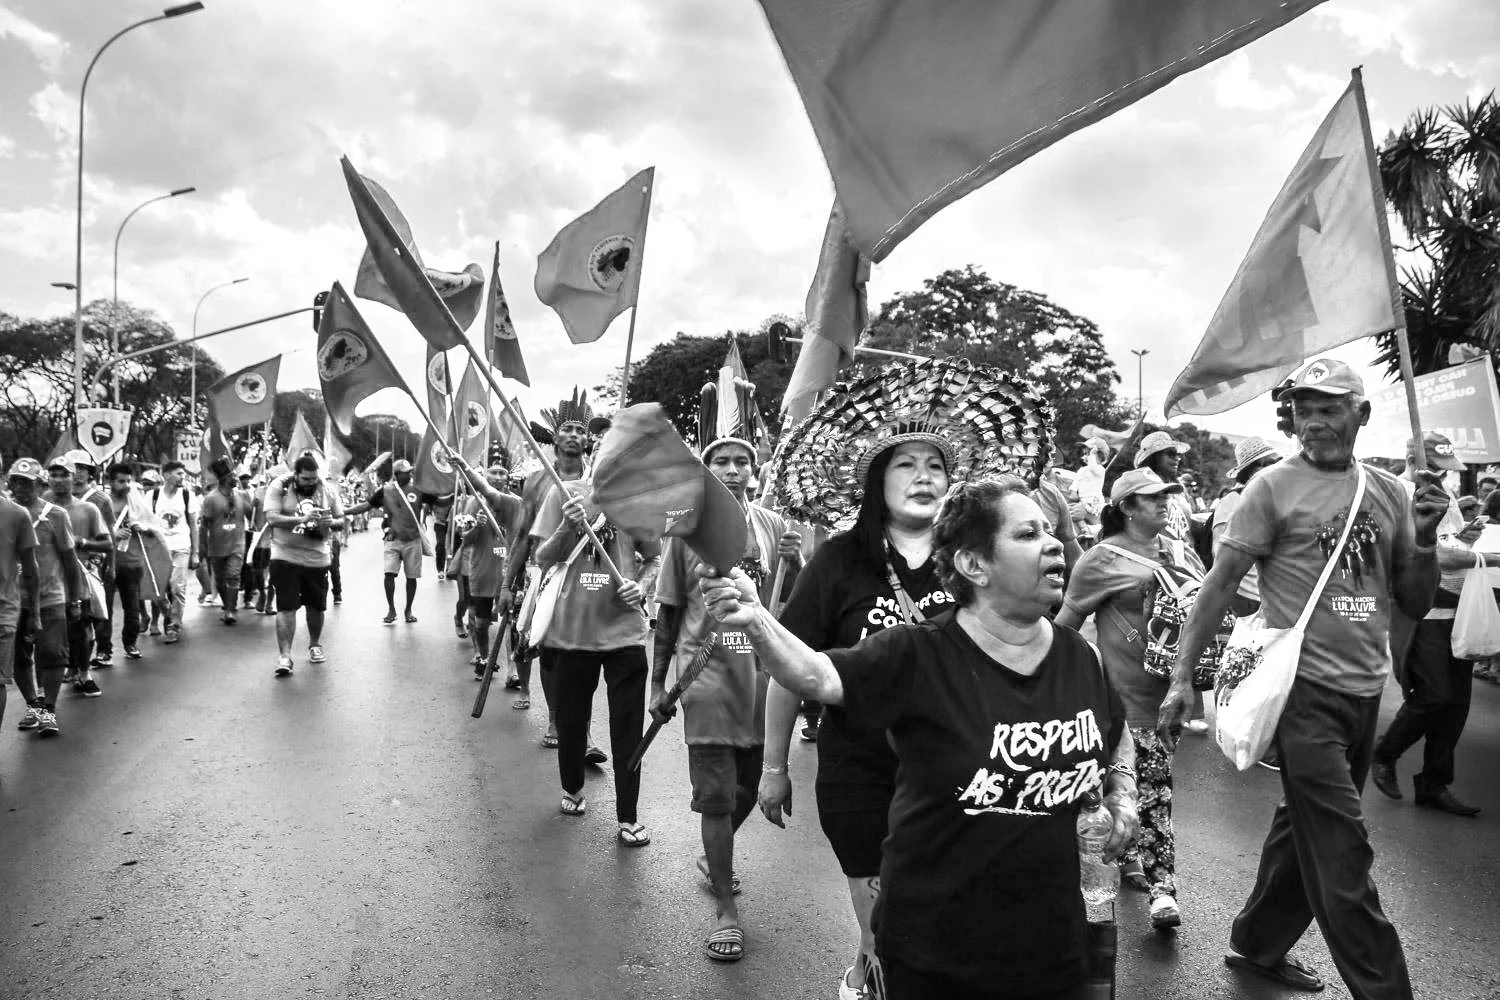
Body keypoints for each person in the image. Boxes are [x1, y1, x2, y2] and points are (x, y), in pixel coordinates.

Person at [704, 477, 1139, 999]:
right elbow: (817, 676)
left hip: (1056, 937)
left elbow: (1115, 734)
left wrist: (1124, 792)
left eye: (1049, 531)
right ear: (974, 565)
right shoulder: (917, 654)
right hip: (937, 945)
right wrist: (757, 621)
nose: (1052, 543)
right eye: (1027, 534)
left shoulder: (1080, 656)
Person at [1159, 358, 1445, 998]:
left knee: (1304, 829)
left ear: (1361, 415)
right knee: (1342, 851)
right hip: (1301, 694)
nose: (1314, 420)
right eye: (1304, 408)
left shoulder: (1390, 492)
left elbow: (1415, 599)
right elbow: (1218, 585)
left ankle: (1257, 944)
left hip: (1367, 692)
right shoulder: (1270, 488)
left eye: (1330, 407)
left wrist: (1423, 539)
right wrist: (1183, 678)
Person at [763, 437, 957, 998]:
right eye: (907, 465)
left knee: (925, 913)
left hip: (951, 771)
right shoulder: (838, 561)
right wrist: (774, 766)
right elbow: (789, 668)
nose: (925, 477)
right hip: (860, 774)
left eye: (936, 467)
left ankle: (858, 978)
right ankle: (870, 979)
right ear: (878, 481)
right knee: (886, 931)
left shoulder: (972, 559)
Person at [650, 436, 802, 962]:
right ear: (706, 470)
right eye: (721, 462)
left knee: (751, 788)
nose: (731, 470)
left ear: (753, 471)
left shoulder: (773, 526)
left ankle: (713, 856)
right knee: (716, 796)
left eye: (741, 462)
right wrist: (657, 683)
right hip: (707, 678)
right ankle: (725, 909)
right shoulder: (684, 526)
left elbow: (795, 605)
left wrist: (797, 561)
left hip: (766, 681)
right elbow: (669, 611)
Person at [1056, 468, 1190, 931]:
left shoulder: (1176, 550)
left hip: (1169, 696)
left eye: (1165, 497)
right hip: (1121, 700)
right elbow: (1065, 624)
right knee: (1153, 794)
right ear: (1127, 508)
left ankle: (1125, 852)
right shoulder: (1100, 559)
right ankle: (1162, 891)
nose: (1162, 503)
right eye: (1151, 498)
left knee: (1137, 790)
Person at [532, 473, 659, 842]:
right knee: (571, 721)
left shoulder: (640, 495)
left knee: (628, 727)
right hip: (572, 632)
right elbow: (543, 558)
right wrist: (566, 528)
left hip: (626, 633)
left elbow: (654, 558)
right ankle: (572, 788)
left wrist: (643, 586)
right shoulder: (564, 490)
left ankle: (628, 815)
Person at [1371, 433, 1483, 816]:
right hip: (1422, 614)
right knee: (1433, 695)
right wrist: (1483, 558)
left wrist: (1468, 538)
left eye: (1445, 469)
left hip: (1458, 611)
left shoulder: (1446, 496)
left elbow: (1450, 542)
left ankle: (1434, 784)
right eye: (1435, 467)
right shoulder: (1394, 492)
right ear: (1410, 458)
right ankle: (1384, 754)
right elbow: (1434, 553)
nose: (1442, 476)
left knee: (1457, 706)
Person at [502, 391, 594, 747]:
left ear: (588, 439)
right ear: (555, 437)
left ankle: (581, 729)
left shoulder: (598, 478)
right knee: (548, 651)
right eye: (567, 429)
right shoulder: (536, 480)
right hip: (541, 574)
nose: (573, 435)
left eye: (580, 430)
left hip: (585, 573)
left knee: (583, 655)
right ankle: (557, 719)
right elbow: (524, 534)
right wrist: (507, 584)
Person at [9, 459, 82, 738]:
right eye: (16, 481)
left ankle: (49, 711)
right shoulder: (6, 513)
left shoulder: (57, 515)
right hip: (13, 599)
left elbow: (69, 560)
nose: (20, 488)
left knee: (53, 654)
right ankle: (34, 705)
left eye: (27, 483)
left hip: (51, 597)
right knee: (17, 656)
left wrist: (75, 600)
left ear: (40, 485)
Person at [262, 455, 344, 677]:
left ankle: (315, 644)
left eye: (314, 478)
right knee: (287, 606)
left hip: (317, 558)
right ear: (296, 475)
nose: (311, 483)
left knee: (316, 606)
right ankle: (285, 657)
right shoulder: (280, 486)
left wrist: (331, 523)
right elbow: (272, 518)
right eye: (306, 479)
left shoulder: (326, 489)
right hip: (284, 555)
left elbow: (341, 519)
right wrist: (301, 519)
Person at [449, 456, 523, 681]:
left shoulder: (516, 502)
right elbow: (466, 541)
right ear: (485, 477)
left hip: (507, 571)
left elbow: (523, 538)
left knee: (512, 624)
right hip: (482, 571)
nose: (498, 477)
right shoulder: (474, 504)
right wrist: (476, 526)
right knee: (481, 623)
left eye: (502, 473)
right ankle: (483, 657)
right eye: (494, 473)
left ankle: (513, 671)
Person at [47, 458, 108, 698]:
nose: (60, 480)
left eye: (65, 475)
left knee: (81, 627)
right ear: (47, 478)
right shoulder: (38, 507)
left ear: (75, 478)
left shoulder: (88, 509)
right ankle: (43, 693)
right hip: (47, 579)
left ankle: (84, 674)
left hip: (79, 576)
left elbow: (107, 543)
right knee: (49, 635)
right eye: (54, 475)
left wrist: (82, 543)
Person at [345, 459, 425, 624]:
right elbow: (366, 506)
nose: (409, 474)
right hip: (392, 538)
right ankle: (391, 609)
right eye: (406, 472)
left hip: (413, 539)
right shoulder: (385, 491)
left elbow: (439, 499)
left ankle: (408, 609)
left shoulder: (418, 489)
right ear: (396, 475)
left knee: (412, 577)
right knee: (389, 573)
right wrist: (344, 511)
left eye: (410, 471)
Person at [67, 450, 116, 669]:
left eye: (82, 469)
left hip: (94, 565)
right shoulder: (51, 498)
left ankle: (104, 649)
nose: (77, 474)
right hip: (65, 565)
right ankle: (74, 663)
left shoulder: (100, 499)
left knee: (99, 612)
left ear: (90, 473)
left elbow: (110, 536)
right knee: (73, 616)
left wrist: (112, 564)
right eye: (73, 469)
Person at [106, 462, 159, 661]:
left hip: (132, 562)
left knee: (133, 608)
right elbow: (95, 532)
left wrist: (142, 527)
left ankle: (130, 643)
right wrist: (114, 534)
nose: (126, 485)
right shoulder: (101, 502)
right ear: (109, 482)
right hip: (107, 563)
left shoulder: (137, 502)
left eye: (128, 481)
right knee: (105, 610)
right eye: (121, 481)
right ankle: (105, 650)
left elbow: (154, 529)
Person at [0, 485, 40, 734]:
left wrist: (35, 611)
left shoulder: (17, 514)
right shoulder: (17, 514)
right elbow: (30, 568)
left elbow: (30, 568)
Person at [1133, 431, 1203, 572]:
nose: (1177, 458)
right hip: (1157, 567)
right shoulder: (1142, 489)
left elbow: (1186, 530)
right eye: (1171, 454)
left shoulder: (1180, 489)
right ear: (1154, 457)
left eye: (1178, 454)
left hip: (1188, 565)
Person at [199, 457, 253, 625]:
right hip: (216, 547)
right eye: (232, 476)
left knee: (233, 575)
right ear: (224, 479)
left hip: (237, 544)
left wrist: (254, 502)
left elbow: (251, 517)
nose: (235, 478)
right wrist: (202, 547)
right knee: (221, 579)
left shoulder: (242, 496)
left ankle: (230, 610)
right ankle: (228, 604)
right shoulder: (210, 499)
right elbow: (204, 526)